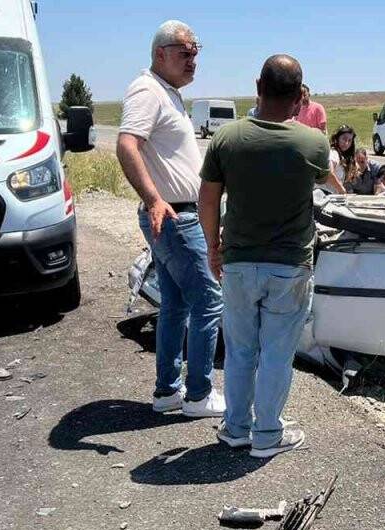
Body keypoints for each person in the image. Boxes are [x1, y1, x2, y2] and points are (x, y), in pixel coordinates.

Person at [199, 54, 329, 458]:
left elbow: (207, 199)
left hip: (238, 263)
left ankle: (236, 428)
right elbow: (327, 186)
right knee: (276, 352)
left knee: (239, 350)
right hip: (290, 267)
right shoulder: (312, 143)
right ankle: (268, 434)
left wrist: (212, 248)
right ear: (299, 96)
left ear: (258, 86)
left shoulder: (227, 138)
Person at [116, 20, 224, 418]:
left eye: (197, 51)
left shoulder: (168, 93)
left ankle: (167, 393)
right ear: (160, 53)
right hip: (175, 216)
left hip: (175, 213)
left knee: (176, 305)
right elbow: (127, 145)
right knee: (209, 303)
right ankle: (199, 395)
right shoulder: (148, 90)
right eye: (185, 51)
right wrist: (154, 199)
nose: (193, 59)